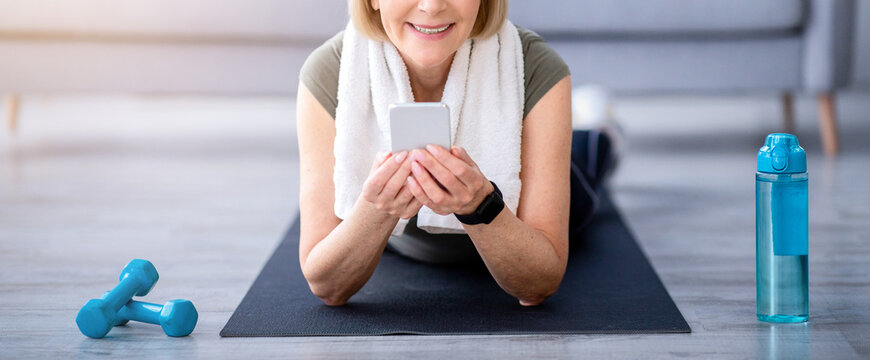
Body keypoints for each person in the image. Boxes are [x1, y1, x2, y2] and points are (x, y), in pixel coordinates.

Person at [295, 0, 613, 307]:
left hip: (538, 204)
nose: (432, 6)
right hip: (404, 245)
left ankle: (601, 123)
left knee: (594, 149)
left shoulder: (539, 67)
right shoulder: (331, 72)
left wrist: (480, 206)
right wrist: (377, 209)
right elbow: (327, 286)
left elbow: (539, 284)